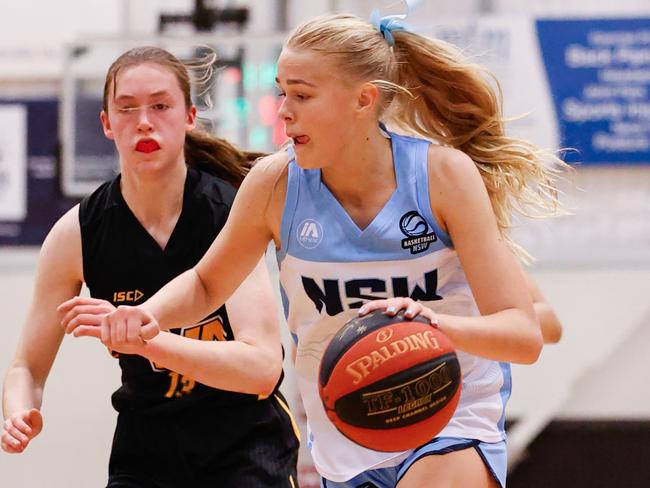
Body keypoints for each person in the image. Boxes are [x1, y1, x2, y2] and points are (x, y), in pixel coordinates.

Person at [60, 11, 569, 488]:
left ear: (363, 100)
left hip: (449, 410)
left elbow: (523, 335)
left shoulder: (443, 176)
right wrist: (146, 316)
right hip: (346, 426)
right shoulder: (276, 184)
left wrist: (434, 328)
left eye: (301, 96)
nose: (283, 112)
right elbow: (207, 282)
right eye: (282, 94)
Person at [1, 46, 299, 488]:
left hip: (243, 445)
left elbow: (260, 371)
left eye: (160, 106)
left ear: (189, 116)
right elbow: (27, 365)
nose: (143, 121)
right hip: (147, 447)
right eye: (126, 108)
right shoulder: (78, 233)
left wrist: (148, 340)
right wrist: (20, 410)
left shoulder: (229, 214)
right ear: (106, 123)